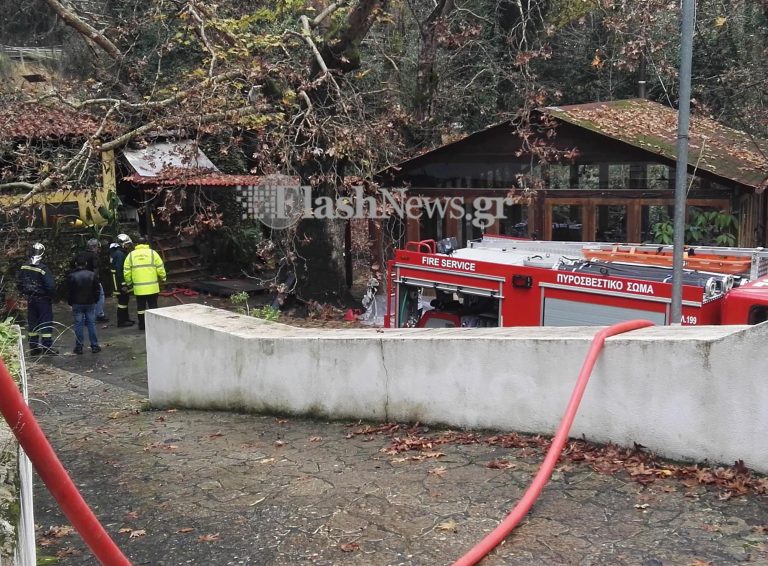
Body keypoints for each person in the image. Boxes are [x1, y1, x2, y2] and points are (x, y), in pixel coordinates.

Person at [16, 242, 57, 355]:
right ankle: (47, 347)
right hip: (43, 299)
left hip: (30, 298)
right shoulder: (43, 269)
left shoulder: (24, 266)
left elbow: (19, 283)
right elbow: (51, 286)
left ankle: (33, 347)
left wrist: (25, 292)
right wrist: (51, 296)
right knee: (45, 322)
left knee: (33, 322)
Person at [123, 236, 166, 331]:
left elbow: (126, 271)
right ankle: (155, 325)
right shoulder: (153, 253)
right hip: (153, 287)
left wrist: (129, 282)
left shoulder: (131, 255)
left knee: (141, 308)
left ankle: (142, 325)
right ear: (146, 243)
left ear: (137, 244)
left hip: (139, 289)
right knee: (153, 306)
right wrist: (163, 278)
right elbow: (160, 267)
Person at [67, 256, 102, 354]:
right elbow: (97, 289)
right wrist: (95, 299)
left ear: (76, 264)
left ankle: (79, 347)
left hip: (77, 303)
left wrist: (71, 302)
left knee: (78, 324)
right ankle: (94, 345)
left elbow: (70, 292)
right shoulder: (92, 275)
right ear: (86, 264)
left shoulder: (72, 276)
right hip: (90, 302)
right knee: (91, 324)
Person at [72, 238, 108, 322]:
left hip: (80, 280)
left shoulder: (80, 254)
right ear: (95, 247)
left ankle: (84, 317)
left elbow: (72, 263)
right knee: (100, 295)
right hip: (92, 280)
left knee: (84, 297)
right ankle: (99, 314)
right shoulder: (94, 256)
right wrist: (94, 279)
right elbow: (96, 268)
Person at [110, 234, 136, 327]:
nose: (128, 246)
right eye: (127, 244)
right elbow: (120, 270)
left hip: (118, 281)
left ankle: (126, 319)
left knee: (125, 300)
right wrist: (123, 284)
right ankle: (122, 321)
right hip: (119, 282)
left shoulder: (118, 252)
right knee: (123, 301)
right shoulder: (120, 254)